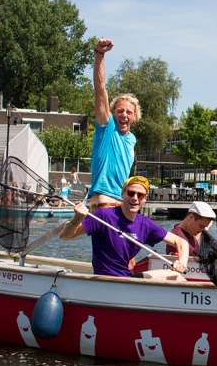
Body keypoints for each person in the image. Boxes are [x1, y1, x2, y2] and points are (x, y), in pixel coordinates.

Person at [60, 176, 188, 277]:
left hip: (127, 278)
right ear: (122, 194)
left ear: (145, 199)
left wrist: (182, 262)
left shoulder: (146, 224)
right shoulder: (103, 215)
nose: (135, 198)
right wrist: (77, 219)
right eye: (131, 193)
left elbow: (181, 242)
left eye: (140, 195)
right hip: (105, 280)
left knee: (176, 276)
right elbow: (65, 236)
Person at [88, 38, 141, 212]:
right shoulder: (107, 128)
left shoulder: (131, 139)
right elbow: (100, 88)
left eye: (128, 112)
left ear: (135, 117)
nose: (124, 115)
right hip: (104, 202)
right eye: (119, 111)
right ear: (112, 113)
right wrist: (100, 55)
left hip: (121, 204)